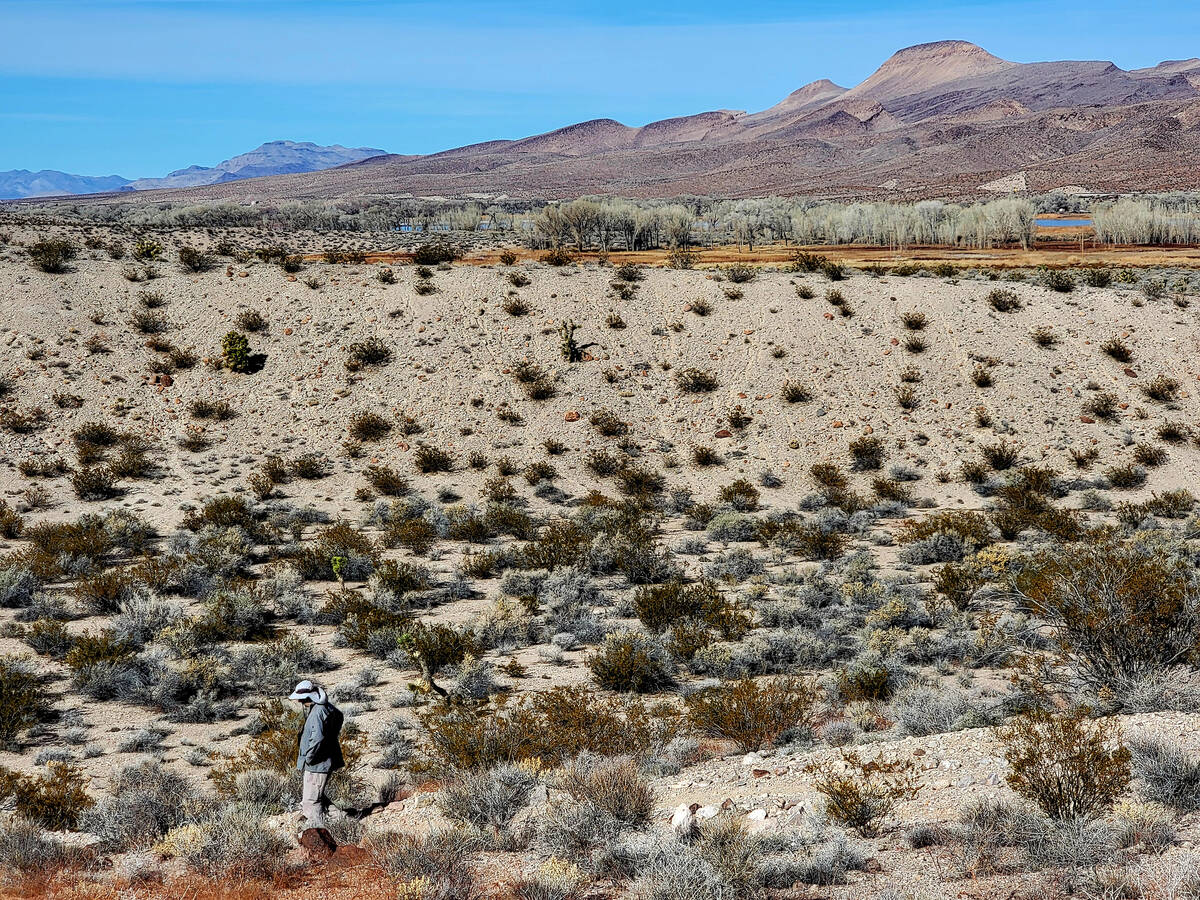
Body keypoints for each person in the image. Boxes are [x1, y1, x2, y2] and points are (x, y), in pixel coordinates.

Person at [288, 679, 344, 829]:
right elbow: (339, 716)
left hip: (317, 763)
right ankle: (343, 821)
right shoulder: (326, 707)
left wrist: (309, 757)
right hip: (324, 760)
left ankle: (316, 828)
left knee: (311, 800)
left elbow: (317, 738)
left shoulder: (317, 712)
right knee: (319, 796)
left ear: (307, 697)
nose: (299, 701)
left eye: (300, 699)